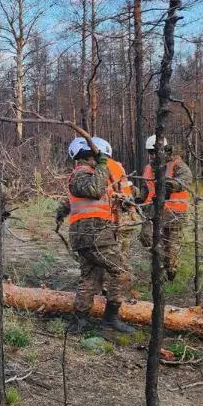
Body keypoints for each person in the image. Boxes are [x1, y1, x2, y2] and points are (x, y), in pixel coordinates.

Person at [55, 137, 134, 334]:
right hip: (94, 234)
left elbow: (97, 195)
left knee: (91, 278)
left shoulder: (89, 175)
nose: (104, 161)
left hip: (92, 234)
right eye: (100, 157)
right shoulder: (81, 174)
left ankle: (79, 321)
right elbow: (95, 190)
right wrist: (102, 164)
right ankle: (110, 318)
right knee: (121, 271)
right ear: (90, 155)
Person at [139, 135, 193, 281]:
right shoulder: (148, 168)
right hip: (153, 211)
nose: (152, 155)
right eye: (150, 152)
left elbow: (186, 179)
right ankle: (159, 264)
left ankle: (170, 272)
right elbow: (145, 190)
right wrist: (137, 198)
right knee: (146, 237)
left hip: (175, 211)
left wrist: (168, 185)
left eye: (154, 151)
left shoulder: (177, 164)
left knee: (171, 244)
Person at [93, 137, 140, 263]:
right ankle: (122, 275)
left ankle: (121, 278)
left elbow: (100, 190)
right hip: (128, 214)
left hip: (116, 216)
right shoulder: (117, 165)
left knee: (115, 256)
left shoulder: (102, 167)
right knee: (123, 252)